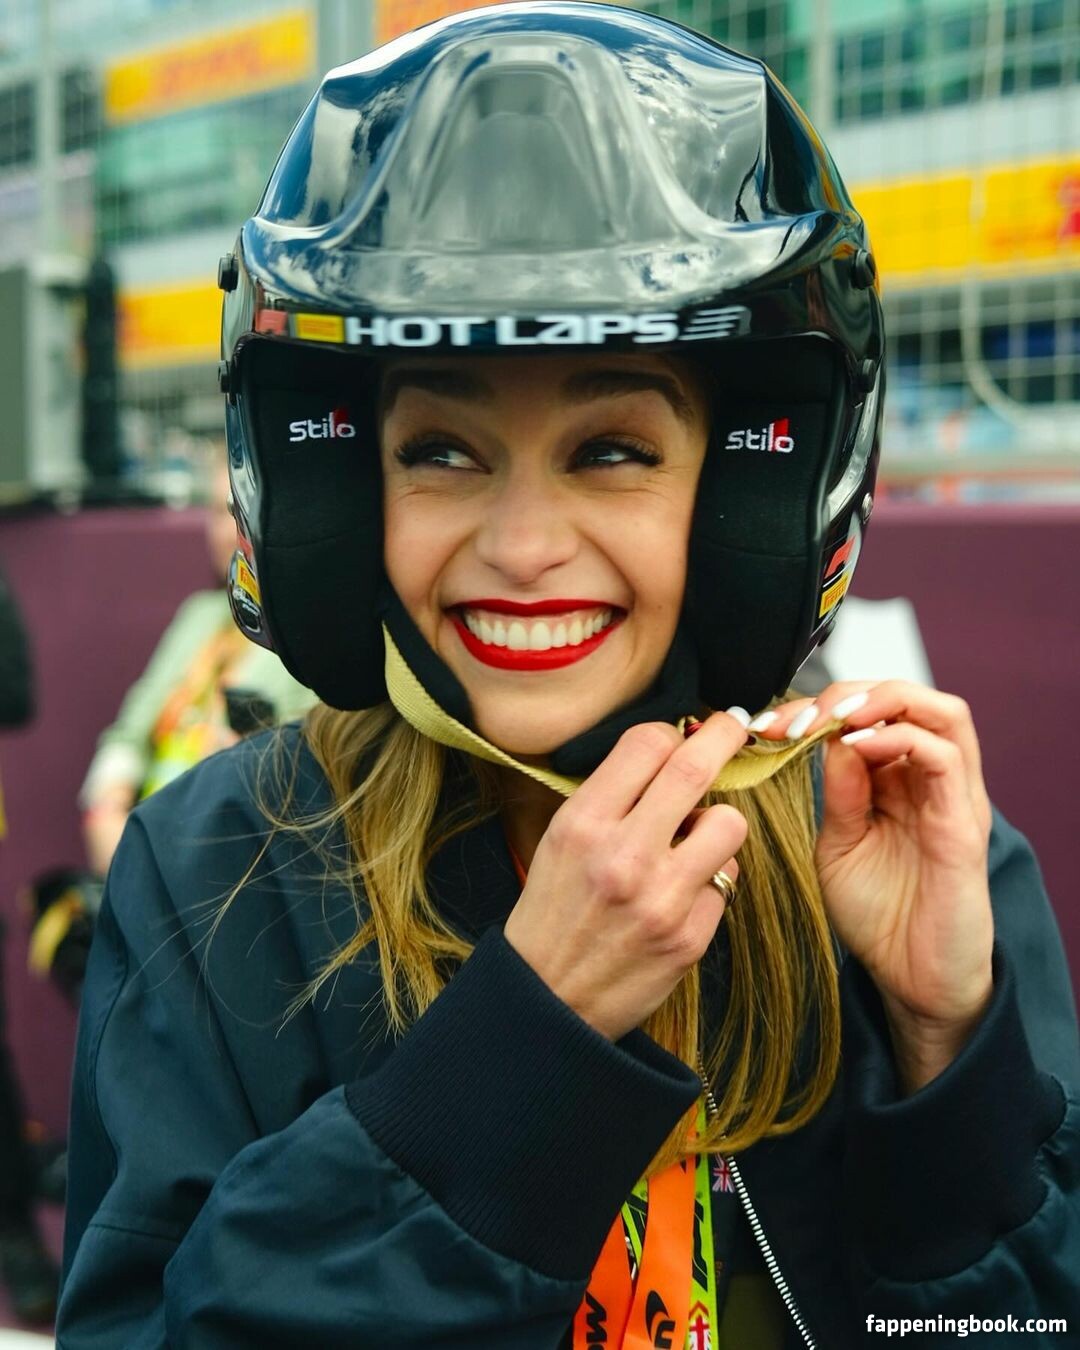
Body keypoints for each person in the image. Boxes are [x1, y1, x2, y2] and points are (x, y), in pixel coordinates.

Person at [57, 7, 1079, 1347]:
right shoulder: (218, 876)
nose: (525, 547)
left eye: (611, 451)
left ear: (746, 497)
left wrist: (953, 1056)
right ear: (344, 493)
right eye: (442, 453)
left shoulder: (907, 853)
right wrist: (520, 1053)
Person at [79, 451, 315, 877]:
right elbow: (129, 731)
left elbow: (306, 777)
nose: (228, 532)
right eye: (218, 512)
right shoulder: (199, 616)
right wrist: (106, 807)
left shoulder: (314, 636)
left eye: (242, 511)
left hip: (236, 855)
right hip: (147, 835)